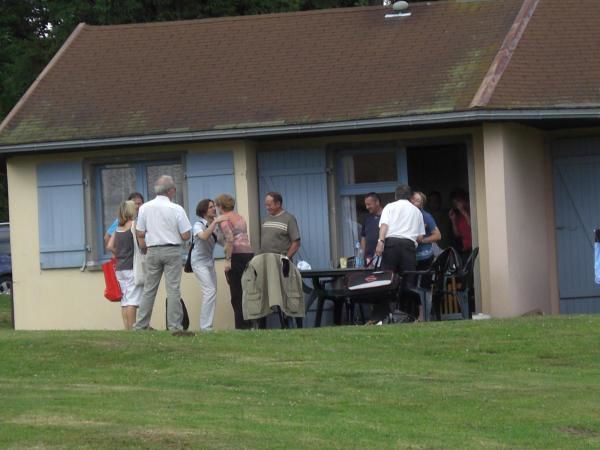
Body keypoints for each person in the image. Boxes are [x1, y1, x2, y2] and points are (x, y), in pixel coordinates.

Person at [134, 175, 191, 332]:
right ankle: (174, 325)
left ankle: (141, 324)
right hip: (172, 249)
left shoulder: (145, 207)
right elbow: (186, 235)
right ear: (171, 191)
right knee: (173, 289)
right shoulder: (176, 208)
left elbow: (140, 232)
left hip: (152, 250)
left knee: (149, 289)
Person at [373, 184, 425, 321]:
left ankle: (383, 317)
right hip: (409, 247)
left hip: (391, 245)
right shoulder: (417, 212)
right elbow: (420, 237)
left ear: (396, 196)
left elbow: (384, 226)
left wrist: (381, 241)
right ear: (409, 197)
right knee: (409, 283)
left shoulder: (389, 207)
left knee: (386, 280)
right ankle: (408, 316)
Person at [215, 193, 254, 330]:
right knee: (247, 291)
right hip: (249, 254)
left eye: (217, 205)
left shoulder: (224, 220)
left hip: (236, 256)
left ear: (221, 206)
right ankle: (250, 323)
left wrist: (227, 260)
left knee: (236, 292)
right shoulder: (240, 217)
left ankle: (241, 326)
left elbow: (230, 239)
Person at [107, 200, 142, 330]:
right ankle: (133, 328)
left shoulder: (117, 228)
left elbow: (110, 246)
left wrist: (119, 253)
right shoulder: (134, 225)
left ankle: (126, 328)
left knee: (125, 301)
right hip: (131, 267)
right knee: (133, 300)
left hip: (120, 268)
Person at [191, 199, 225, 332]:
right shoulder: (198, 225)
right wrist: (216, 222)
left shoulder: (215, 226)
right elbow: (204, 236)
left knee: (212, 292)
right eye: (211, 207)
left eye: (214, 206)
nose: (214, 209)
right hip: (198, 263)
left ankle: (207, 325)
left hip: (209, 262)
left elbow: (223, 241)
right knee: (209, 290)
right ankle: (205, 327)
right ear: (204, 211)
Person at [410, 191, 442, 320]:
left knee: (423, 286)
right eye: (412, 199)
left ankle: (423, 316)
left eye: (417, 201)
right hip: (411, 257)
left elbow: (438, 235)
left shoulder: (425, 216)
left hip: (424, 257)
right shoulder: (407, 216)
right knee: (411, 286)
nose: (413, 202)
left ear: (422, 204)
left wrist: (423, 240)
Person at [259, 192, 301, 260]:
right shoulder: (265, 219)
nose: (267, 208)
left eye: (269, 205)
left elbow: (296, 243)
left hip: (280, 262)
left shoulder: (289, 219)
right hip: (265, 261)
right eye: (266, 205)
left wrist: (286, 259)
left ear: (278, 204)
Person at [448, 189, 472, 261]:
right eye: (454, 203)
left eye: (458, 201)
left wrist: (463, 211)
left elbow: (473, 226)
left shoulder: (471, 210)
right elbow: (457, 234)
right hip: (464, 248)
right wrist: (453, 220)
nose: (456, 204)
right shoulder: (457, 215)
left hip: (473, 246)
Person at [360, 192, 383, 265]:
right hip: (369, 259)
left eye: (369, 204)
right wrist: (364, 254)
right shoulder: (367, 218)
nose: (367, 207)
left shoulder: (386, 216)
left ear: (377, 202)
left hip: (383, 257)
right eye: (366, 205)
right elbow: (363, 237)